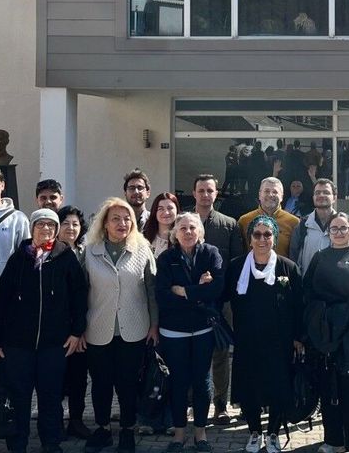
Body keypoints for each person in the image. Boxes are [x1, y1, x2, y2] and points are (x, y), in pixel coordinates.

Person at [0, 209, 89, 453]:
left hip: (54, 344)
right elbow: (1, 301)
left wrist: (77, 332)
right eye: (41, 224)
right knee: (19, 396)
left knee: (51, 396)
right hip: (18, 345)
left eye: (51, 225)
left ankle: (51, 442)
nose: (46, 229)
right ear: (32, 228)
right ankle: (18, 443)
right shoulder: (19, 258)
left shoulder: (65, 257)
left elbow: (79, 296)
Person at [83, 197, 159, 453]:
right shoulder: (90, 251)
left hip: (134, 329)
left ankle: (127, 429)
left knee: (128, 383)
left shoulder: (142, 249)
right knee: (101, 383)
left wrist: (154, 325)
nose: (122, 223)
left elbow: (151, 291)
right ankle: (103, 428)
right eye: (115, 218)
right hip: (98, 328)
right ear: (104, 223)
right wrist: (77, 328)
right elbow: (81, 291)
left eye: (127, 219)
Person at [225, 215, 305, 453]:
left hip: (279, 341)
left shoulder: (288, 268)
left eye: (267, 234)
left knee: (278, 387)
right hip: (247, 340)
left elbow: (299, 305)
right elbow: (222, 298)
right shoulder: (236, 267)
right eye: (257, 234)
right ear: (250, 238)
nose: (262, 239)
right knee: (249, 387)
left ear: (274, 238)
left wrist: (298, 337)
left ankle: (272, 433)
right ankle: (254, 432)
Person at [303, 212, 349, 453]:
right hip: (324, 334)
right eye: (334, 228)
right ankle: (334, 440)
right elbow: (308, 292)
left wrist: (341, 319)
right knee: (329, 389)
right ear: (328, 232)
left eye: (344, 228)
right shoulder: (319, 257)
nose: (339, 232)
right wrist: (321, 322)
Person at [156, 212, 225, 453]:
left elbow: (217, 289)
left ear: (200, 232)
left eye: (192, 227)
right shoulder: (166, 258)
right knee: (178, 381)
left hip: (203, 329)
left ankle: (200, 433)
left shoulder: (211, 253)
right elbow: (162, 296)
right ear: (175, 233)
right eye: (183, 228)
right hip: (174, 331)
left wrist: (184, 291)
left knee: (202, 382)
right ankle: (179, 433)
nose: (188, 232)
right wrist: (198, 291)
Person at [192, 174, 244, 428]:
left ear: (216, 193)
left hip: (221, 300)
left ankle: (221, 405)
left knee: (221, 353)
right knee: (192, 353)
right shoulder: (184, 221)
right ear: (194, 193)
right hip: (190, 301)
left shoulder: (229, 224)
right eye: (201, 190)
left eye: (210, 190)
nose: (205, 195)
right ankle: (193, 402)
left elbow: (236, 262)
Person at [57, 205, 93, 441]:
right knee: (56, 378)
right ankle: (56, 421)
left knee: (79, 377)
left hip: (83, 324)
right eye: (66, 223)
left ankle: (76, 421)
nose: (71, 228)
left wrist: (80, 330)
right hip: (56, 326)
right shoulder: (50, 252)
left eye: (75, 224)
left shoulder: (87, 252)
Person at [237, 177, 299, 256]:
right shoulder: (244, 221)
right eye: (266, 191)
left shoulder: (294, 223)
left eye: (275, 192)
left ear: (282, 197)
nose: (270, 195)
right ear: (259, 195)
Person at [288, 178, 339, 273]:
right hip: (307, 282)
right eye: (317, 193)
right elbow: (293, 259)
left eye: (326, 192)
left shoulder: (343, 226)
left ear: (334, 198)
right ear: (313, 197)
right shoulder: (302, 226)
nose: (321, 195)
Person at [143, 192, 180, 257]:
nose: (166, 212)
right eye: (160, 209)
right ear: (155, 212)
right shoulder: (144, 237)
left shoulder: (182, 238)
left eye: (170, 208)